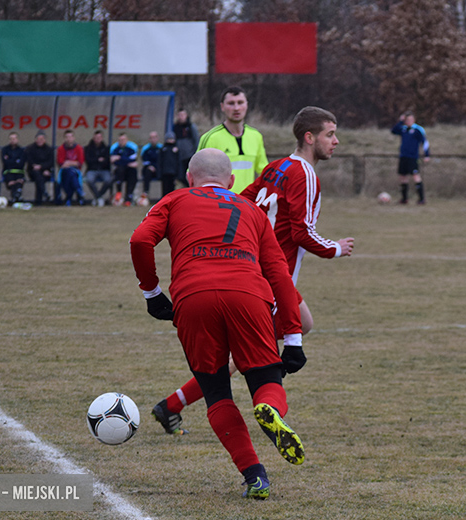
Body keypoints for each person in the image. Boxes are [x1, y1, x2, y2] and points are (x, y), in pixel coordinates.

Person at [151, 107, 355, 436]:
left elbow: (243, 199)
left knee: (295, 327)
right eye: (330, 134)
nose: (336, 141)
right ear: (309, 137)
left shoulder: (277, 167)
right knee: (268, 342)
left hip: (252, 266)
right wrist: (335, 248)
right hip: (268, 275)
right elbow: (303, 231)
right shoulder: (305, 174)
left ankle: (171, 405)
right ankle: (264, 404)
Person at [129, 148, 306, 500]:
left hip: (193, 297)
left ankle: (255, 475)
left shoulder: (174, 199)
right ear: (232, 182)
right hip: (248, 294)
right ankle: (268, 406)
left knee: (216, 393)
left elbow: (139, 239)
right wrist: (294, 338)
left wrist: (152, 293)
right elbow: (279, 274)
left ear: (190, 178)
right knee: (265, 379)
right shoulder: (251, 210)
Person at [197, 86, 268, 194]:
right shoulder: (211, 137)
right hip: (221, 204)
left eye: (240, 102)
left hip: (247, 203)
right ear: (222, 107)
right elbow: (195, 175)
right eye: (231, 103)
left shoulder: (256, 136)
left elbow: (264, 172)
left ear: (246, 105)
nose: (236, 108)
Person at [391, 111, 430, 204]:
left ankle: (421, 199)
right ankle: (404, 199)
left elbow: (424, 143)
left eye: (410, 119)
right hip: (403, 156)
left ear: (414, 120)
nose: (409, 121)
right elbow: (393, 131)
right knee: (403, 177)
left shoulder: (418, 130)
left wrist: (427, 155)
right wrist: (400, 121)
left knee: (416, 176)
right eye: (407, 120)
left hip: (412, 157)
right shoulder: (403, 129)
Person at [25, 132, 55, 205]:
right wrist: (38, 168)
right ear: (35, 140)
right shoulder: (29, 148)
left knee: (40, 178)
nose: (40, 141)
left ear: (45, 140)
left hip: (46, 171)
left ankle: (39, 201)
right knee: (38, 175)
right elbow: (29, 161)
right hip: (33, 172)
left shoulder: (49, 149)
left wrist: (41, 167)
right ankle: (43, 193)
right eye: (38, 139)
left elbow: (51, 162)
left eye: (41, 139)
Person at [57, 130, 86, 206]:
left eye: (70, 137)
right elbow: (61, 163)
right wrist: (73, 163)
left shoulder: (79, 148)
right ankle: (78, 190)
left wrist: (68, 162)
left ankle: (68, 198)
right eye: (67, 137)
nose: (69, 139)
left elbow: (80, 162)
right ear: (64, 138)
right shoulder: (61, 148)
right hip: (64, 171)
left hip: (76, 171)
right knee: (70, 174)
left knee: (72, 175)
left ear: (73, 138)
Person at [110, 133, 139, 206]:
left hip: (129, 171)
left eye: (123, 140)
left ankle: (129, 196)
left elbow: (133, 159)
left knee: (133, 172)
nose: (121, 141)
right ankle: (118, 193)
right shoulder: (115, 148)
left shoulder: (132, 148)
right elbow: (114, 161)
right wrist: (127, 161)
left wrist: (119, 158)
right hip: (120, 171)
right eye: (120, 140)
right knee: (119, 169)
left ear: (127, 140)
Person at [172, 109, 199, 187]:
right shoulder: (175, 127)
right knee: (181, 176)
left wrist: (195, 152)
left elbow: (196, 139)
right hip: (180, 156)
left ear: (186, 116)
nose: (181, 117)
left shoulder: (191, 126)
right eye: (179, 115)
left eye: (183, 115)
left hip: (189, 155)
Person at [84, 130, 111, 207]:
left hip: (104, 170)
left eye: (99, 137)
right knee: (89, 180)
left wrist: (97, 160)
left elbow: (107, 161)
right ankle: (99, 198)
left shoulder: (106, 148)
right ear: (93, 138)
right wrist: (98, 160)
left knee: (108, 180)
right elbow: (88, 160)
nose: (97, 139)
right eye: (96, 138)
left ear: (102, 138)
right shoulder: (88, 148)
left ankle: (98, 197)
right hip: (92, 170)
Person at [1, 132, 26, 203]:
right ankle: (17, 196)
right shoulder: (4, 150)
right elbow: (5, 163)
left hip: (19, 172)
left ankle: (16, 197)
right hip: (8, 172)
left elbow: (21, 164)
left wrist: (10, 160)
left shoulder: (22, 150)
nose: (12, 140)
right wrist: (15, 161)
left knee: (19, 181)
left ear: (17, 140)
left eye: (14, 138)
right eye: (11, 139)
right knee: (11, 181)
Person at [138, 131, 162, 205]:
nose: (153, 139)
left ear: (157, 138)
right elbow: (144, 160)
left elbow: (163, 161)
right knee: (147, 172)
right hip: (149, 169)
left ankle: (165, 194)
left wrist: (157, 167)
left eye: (154, 137)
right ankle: (146, 192)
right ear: (149, 139)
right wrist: (150, 166)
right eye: (151, 138)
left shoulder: (161, 148)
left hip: (159, 169)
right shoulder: (146, 149)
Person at [158, 132, 182, 197]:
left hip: (173, 173)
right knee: (165, 188)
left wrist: (179, 174)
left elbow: (178, 162)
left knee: (172, 189)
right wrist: (159, 173)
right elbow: (160, 162)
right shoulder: (163, 149)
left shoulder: (176, 150)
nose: (170, 140)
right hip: (165, 172)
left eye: (172, 139)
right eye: (169, 139)